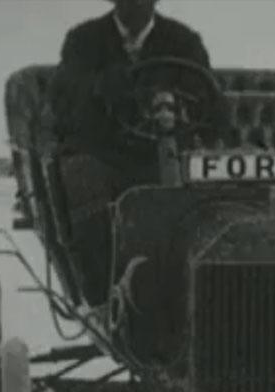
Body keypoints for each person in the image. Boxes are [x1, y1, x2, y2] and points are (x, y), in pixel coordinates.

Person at [47, 0, 213, 307]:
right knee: (83, 175)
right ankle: (101, 294)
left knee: (197, 183)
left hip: (163, 154)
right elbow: (63, 105)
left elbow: (211, 105)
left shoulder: (184, 42)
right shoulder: (83, 40)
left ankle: (195, 290)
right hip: (101, 153)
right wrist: (100, 89)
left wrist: (177, 109)